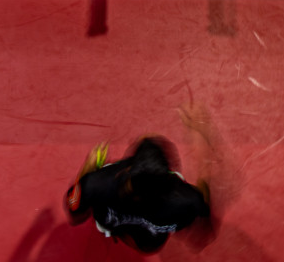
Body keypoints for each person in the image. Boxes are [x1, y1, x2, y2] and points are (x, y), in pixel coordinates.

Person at [65, 105, 215, 252]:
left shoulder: (97, 183)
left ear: (131, 169)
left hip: (113, 222)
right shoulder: (187, 199)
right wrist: (203, 136)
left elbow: (74, 211)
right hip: (150, 242)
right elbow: (203, 218)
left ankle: (116, 232)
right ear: (168, 176)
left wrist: (88, 169)